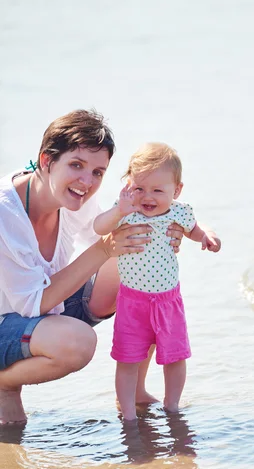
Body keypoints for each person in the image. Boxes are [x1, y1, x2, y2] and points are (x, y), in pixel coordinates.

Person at [0, 110, 184, 425]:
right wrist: (102, 249)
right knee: (78, 342)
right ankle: (4, 384)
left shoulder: (73, 196)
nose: (86, 183)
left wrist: (163, 228)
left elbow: (105, 234)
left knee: (140, 268)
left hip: (42, 312)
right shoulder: (6, 214)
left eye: (98, 172)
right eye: (76, 165)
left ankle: (136, 390)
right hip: (9, 320)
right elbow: (32, 304)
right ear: (46, 160)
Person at [93, 142, 221, 421]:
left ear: (176, 191)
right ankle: (128, 414)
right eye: (140, 188)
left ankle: (172, 406)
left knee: (175, 356)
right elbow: (99, 227)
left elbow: (197, 228)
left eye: (158, 190)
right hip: (132, 301)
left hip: (167, 301)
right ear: (129, 185)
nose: (147, 197)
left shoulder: (180, 212)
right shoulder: (126, 211)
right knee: (127, 358)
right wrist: (119, 211)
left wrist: (208, 237)